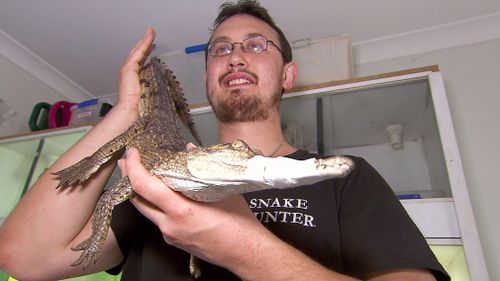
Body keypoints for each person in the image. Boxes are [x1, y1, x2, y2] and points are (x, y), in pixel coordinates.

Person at [0, 1, 450, 280]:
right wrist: (124, 115)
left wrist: (239, 245)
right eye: (221, 48)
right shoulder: (157, 182)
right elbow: (23, 258)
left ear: (288, 75)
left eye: (256, 46)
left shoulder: (346, 179)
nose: (235, 55)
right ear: (209, 76)